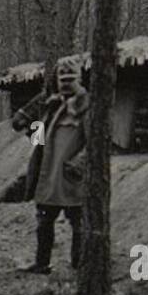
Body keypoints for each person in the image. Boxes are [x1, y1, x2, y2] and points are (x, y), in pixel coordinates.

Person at [18, 60, 91, 274]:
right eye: (62, 79)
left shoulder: (87, 106)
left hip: (71, 178)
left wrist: (77, 165)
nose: (66, 84)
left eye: (71, 79)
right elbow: (40, 140)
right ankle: (42, 263)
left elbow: (94, 143)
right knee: (44, 222)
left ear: (80, 80)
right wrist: (32, 130)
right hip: (49, 176)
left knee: (78, 224)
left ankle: (79, 266)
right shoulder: (53, 105)